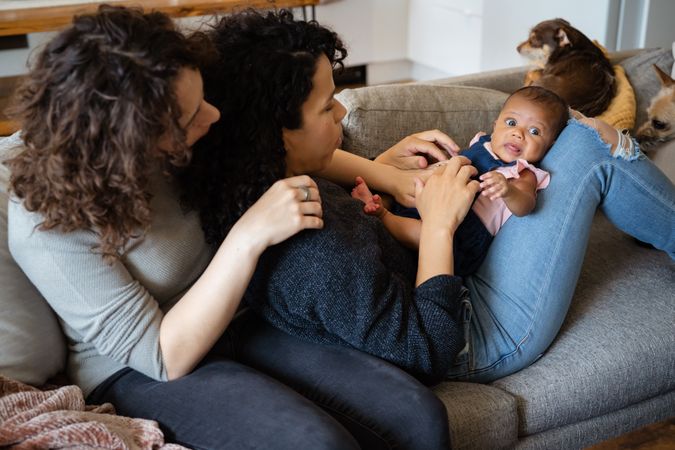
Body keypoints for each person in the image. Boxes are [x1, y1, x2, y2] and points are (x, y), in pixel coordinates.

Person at [5, 6, 460, 449]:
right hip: (147, 368)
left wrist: (391, 177)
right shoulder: (49, 226)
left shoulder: (184, 125)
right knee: (312, 443)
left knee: (417, 416)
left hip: (243, 319)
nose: (213, 117)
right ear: (132, 143)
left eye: (203, 99)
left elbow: (272, 144)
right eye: (190, 117)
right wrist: (248, 235)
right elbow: (165, 356)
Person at [183, 9, 675, 388]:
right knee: (591, 144)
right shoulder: (313, 254)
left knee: (565, 132)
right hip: (472, 331)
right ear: (276, 132)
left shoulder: (262, 177)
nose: (342, 113)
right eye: (325, 105)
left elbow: (321, 160)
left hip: (455, 257)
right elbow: (429, 349)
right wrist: (439, 223)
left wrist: (386, 174)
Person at [351, 86, 568, 275]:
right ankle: (381, 207)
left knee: (424, 233)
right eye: (511, 122)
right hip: (435, 201)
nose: (518, 134)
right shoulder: (482, 142)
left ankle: (382, 216)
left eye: (534, 131)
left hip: (463, 232)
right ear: (495, 125)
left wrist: (509, 191)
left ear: (550, 144)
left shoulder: (524, 172)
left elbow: (525, 205)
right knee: (407, 193)